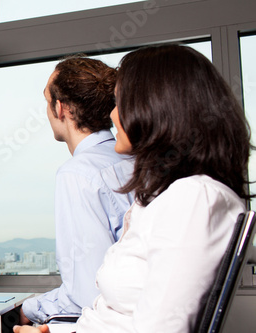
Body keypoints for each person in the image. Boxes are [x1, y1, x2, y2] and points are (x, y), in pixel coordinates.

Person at [13, 44, 251, 333]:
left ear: (156, 108)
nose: (112, 116)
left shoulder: (194, 199)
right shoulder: (166, 195)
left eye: (120, 102)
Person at [20, 56, 134, 325]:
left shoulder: (78, 174)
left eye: (47, 99)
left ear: (61, 108)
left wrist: (28, 309)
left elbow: (87, 295)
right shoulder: (133, 159)